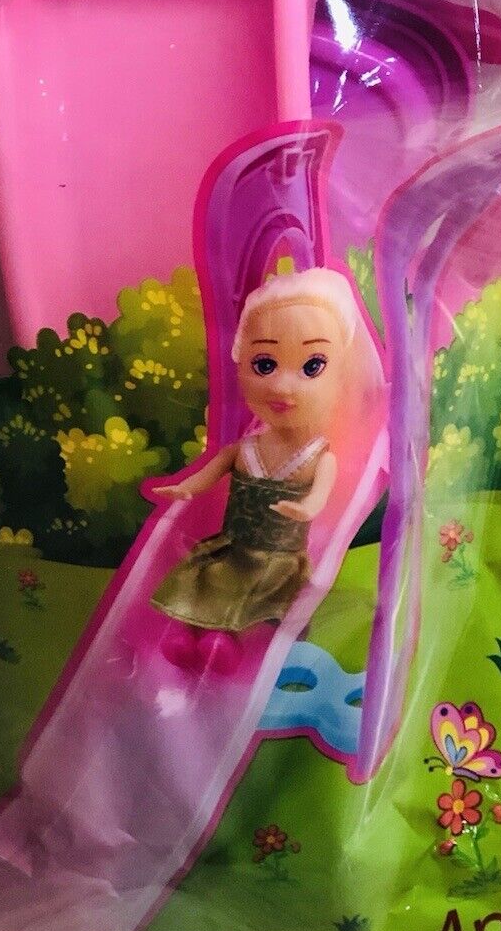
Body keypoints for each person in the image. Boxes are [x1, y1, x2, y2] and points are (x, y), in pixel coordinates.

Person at [150, 268, 358, 672]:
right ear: (242, 362)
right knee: (209, 579)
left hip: (278, 560)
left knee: (252, 597)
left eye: (312, 366)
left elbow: (318, 496)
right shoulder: (243, 449)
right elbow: (208, 474)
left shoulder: (319, 457)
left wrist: (307, 508)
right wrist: (184, 488)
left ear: (340, 375)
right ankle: (189, 635)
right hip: (234, 547)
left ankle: (223, 642)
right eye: (264, 364)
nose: (282, 387)